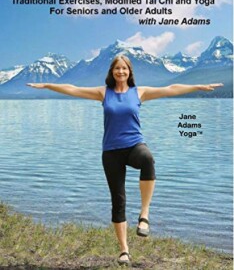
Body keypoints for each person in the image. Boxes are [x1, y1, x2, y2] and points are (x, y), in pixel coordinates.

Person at [27, 55, 223, 266]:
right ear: (112, 72)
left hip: (134, 146)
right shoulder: (103, 93)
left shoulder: (139, 92)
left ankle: (144, 215)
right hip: (111, 152)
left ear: (130, 71)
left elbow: (171, 88)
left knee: (147, 158)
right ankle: (124, 250)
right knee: (118, 202)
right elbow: (72, 88)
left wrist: (198, 87)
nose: (121, 72)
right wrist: (48, 84)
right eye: (117, 69)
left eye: (124, 68)